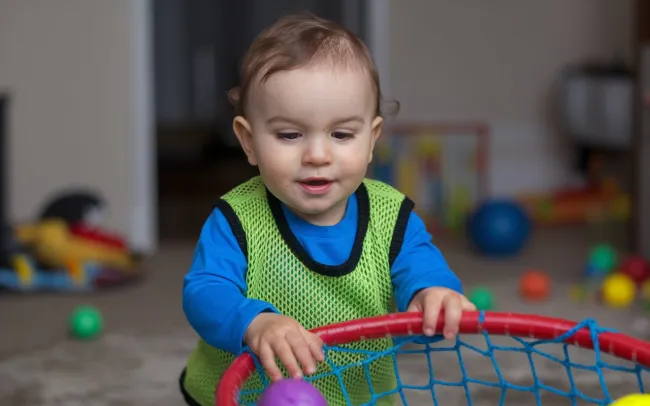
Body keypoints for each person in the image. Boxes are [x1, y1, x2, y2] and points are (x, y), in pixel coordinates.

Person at [179, 12, 476, 406]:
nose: (317, 155)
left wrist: (433, 293)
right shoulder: (237, 218)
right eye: (290, 135)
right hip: (244, 396)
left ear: (371, 139)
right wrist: (255, 322)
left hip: (359, 395)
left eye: (341, 134)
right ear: (248, 141)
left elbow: (422, 268)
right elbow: (204, 292)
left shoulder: (391, 216)